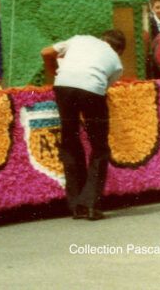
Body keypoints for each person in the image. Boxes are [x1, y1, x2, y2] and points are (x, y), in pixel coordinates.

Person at [41, 30, 126, 220]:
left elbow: (46, 52)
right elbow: (103, 88)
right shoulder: (117, 63)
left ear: (102, 39)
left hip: (63, 86)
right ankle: (90, 204)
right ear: (119, 50)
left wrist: (53, 72)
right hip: (92, 90)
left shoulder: (79, 39)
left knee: (70, 141)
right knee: (99, 148)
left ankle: (75, 204)